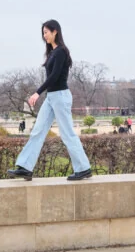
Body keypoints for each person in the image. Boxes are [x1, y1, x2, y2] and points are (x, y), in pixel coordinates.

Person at [7, 20, 92, 181]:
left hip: (60, 96)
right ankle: (25, 167)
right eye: (43, 33)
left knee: (67, 134)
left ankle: (83, 168)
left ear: (55, 32)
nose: (44, 35)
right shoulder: (52, 53)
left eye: (46, 32)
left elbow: (54, 77)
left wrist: (37, 93)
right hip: (52, 98)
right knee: (37, 131)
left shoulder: (61, 52)